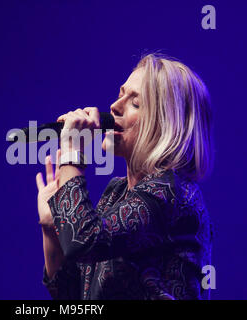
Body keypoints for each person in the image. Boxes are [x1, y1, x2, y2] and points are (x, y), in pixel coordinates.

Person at [35, 53, 214, 300]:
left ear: (165, 125)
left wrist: (72, 155)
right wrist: (51, 229)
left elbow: (84, 240)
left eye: (135, 103)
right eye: (121, 95)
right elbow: (73, 297)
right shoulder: (117, 193)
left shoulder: (171, 193)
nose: (114, 107)